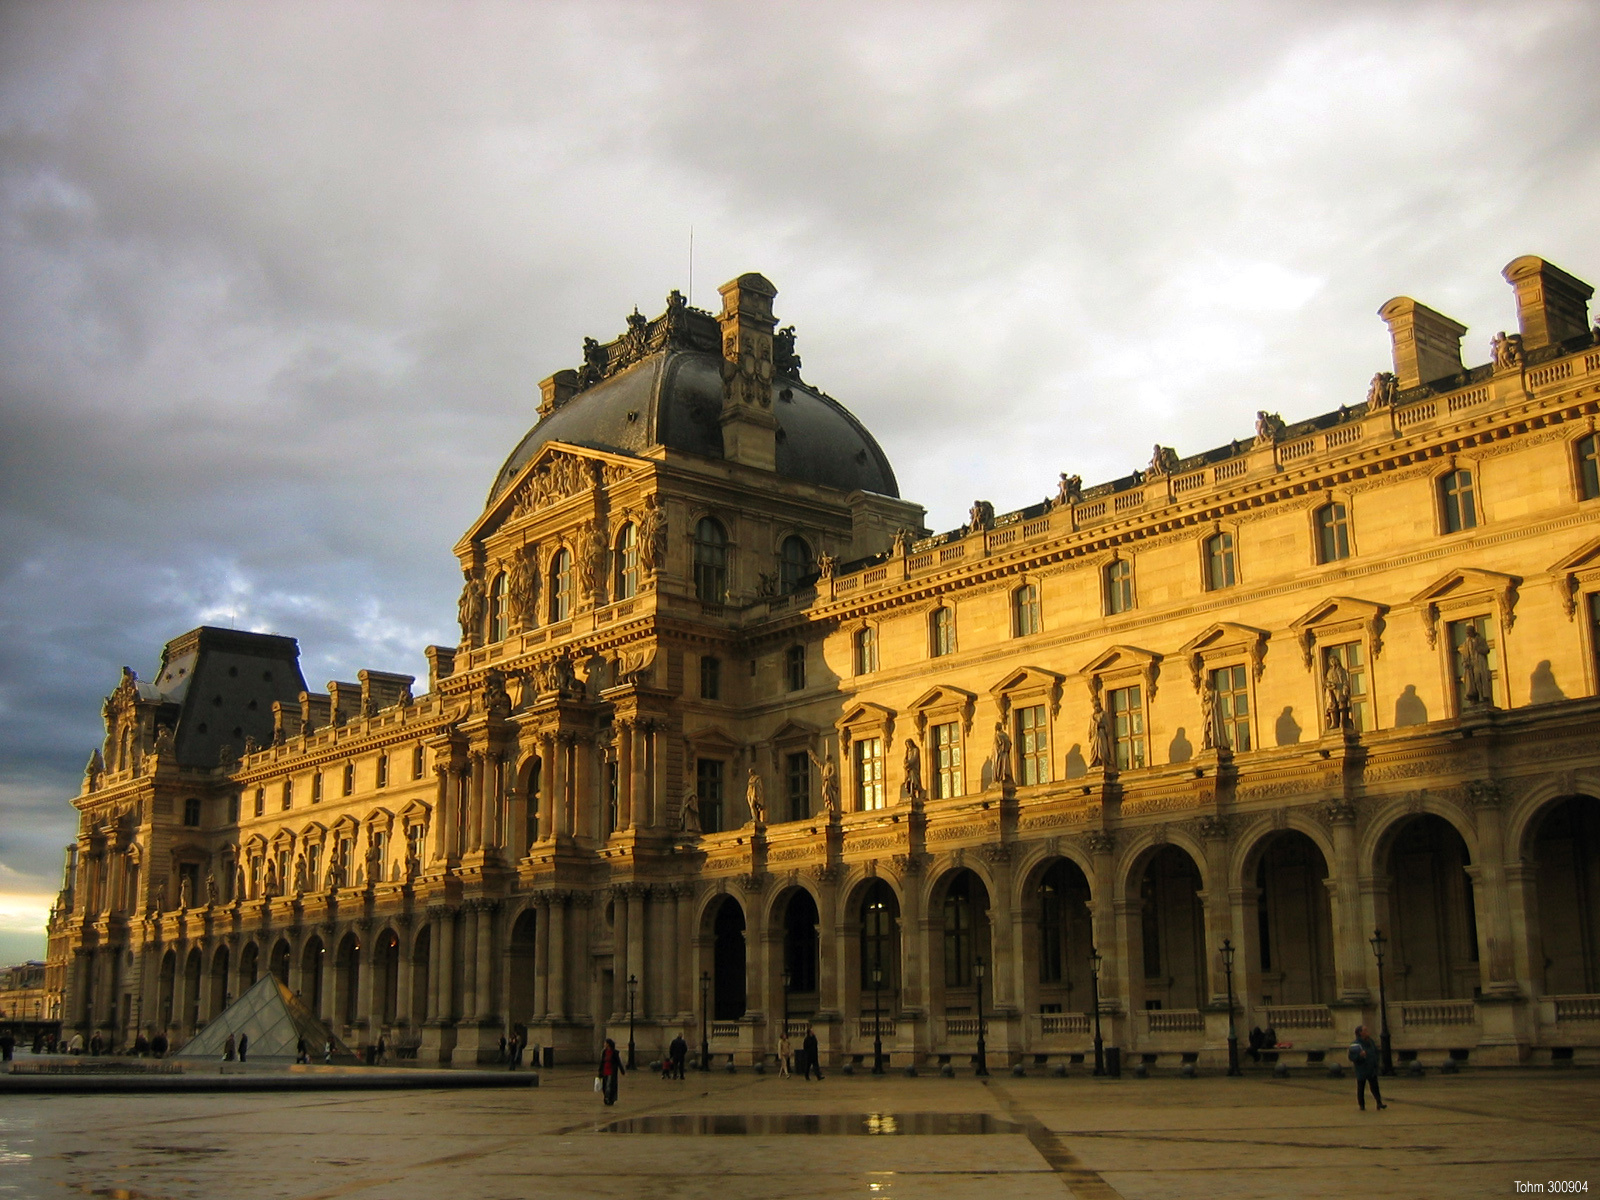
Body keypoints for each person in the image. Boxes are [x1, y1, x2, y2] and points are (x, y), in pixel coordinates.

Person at [1348, 1025, 1387, 1111]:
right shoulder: (1355, 1044)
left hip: (1372, 1068)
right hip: (1362, 1069)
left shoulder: (1371, 1042)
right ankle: (1362, 1105)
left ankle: (1379, 1102)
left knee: (1375, 1086)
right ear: (1360, 1033)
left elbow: (1375, 1052)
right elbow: (1351, 1057)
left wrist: (1376, 1062)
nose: (1367, 1032)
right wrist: (1359, 1056)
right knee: (1361, 1087)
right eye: (1365, 1030)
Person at [598, 1036, 625, 1106]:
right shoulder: (604, 1052)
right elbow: (602, 1062)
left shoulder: (614, 1053)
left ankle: (609, 1098)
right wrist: (600, 1070)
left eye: (605, 1043)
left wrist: (622, 1070)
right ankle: (606, 1097)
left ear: (608, 1044)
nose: (604, 1044)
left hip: (611, 1071)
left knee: (609, 1086)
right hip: (605, 1070)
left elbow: (618, 1062)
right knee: (605, 1086)